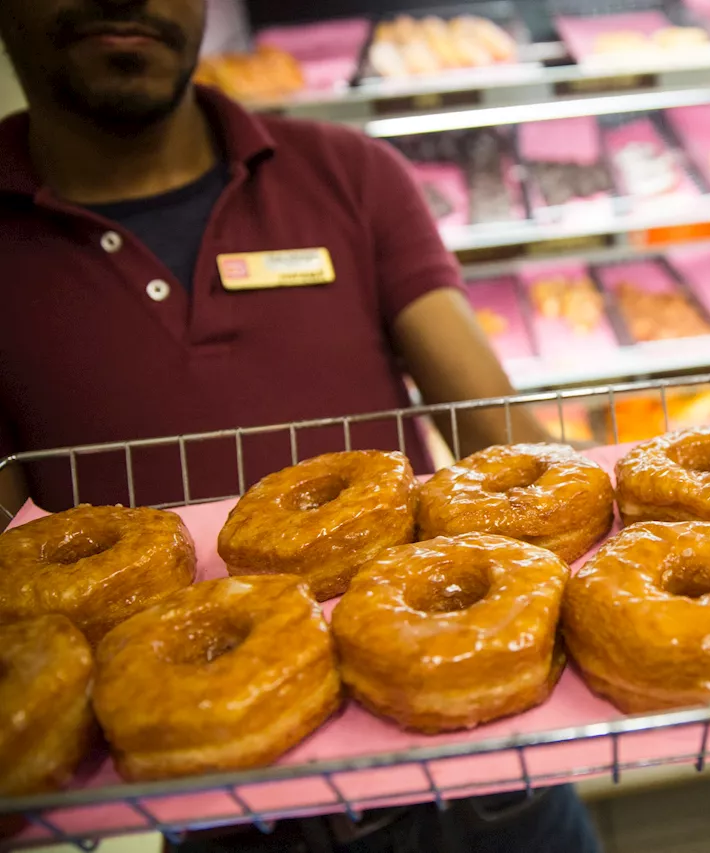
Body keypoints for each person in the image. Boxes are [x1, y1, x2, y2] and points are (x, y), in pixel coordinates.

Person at [0, 1, 599, 851]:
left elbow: (497, 432)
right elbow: (13, 580)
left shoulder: (349, 171)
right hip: (213, 791)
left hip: (484, 779)